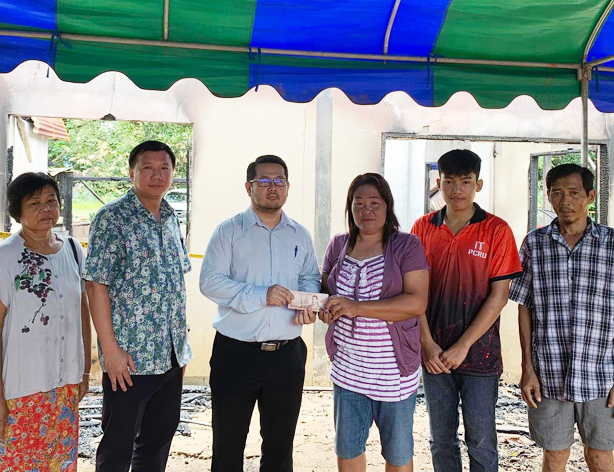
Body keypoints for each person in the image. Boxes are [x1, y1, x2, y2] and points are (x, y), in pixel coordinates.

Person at [200, 154, 321, 472]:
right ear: (248, 187)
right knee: (227, 444)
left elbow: (310, 277)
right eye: (264, 181)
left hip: (287, 356)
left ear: (288, 186)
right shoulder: (228, 231)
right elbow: (210, 282)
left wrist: (308, 304)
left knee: (280, 447)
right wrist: (260, 295)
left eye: (279, 180)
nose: (272, 187)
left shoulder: (299, 234)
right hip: (235, 354)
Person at [411, 149, 522, 472]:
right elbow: (413, 292)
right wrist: (426, 343)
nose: (456, 189)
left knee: (482, 441)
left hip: (481, 355)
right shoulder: (422, 228)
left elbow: (499, 297)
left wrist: (463, 345)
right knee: (441, 439)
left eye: (465, 181)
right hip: (434, 354)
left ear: (478, 184)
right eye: (449, 181)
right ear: (438, 183)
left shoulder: (497, 230)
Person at [84, 141, 192, 472]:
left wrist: (181, 343)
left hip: (170, 356)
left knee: (157, 444)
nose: (157, 175)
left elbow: (174, 283)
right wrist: (110, 351)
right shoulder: (112, 218)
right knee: (118, 448)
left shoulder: (171, 217)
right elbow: (96, 285)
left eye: (164, 168)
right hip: (130, 361)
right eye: (148, 168)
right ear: (132, 173)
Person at [319, 173, 430, 472]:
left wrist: (357, 308)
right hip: (348, 371)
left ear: (387, 206)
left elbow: (416, 303)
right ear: (350, 207)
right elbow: (326, 293)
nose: (366, 210)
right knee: (348, 449)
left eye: (374, 203)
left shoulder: (406, 245)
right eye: (358, 203)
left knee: (397, 454)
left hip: (392, 374)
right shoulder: (338, 245)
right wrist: (324, 309)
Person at [509, 164, 614, 472]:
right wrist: (527, 369)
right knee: (554, 457)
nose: (565, 200)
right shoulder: (534, 243)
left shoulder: (611, 244)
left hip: (602, 375)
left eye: (574, 193)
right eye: (557, 193)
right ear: (548, 196)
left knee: (601, 457)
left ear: (590, 196)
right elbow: (524, 306)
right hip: (548, 374)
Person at [0, 172, 91, 471]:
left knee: (60, 464)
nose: (46, 209)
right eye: (35, 203)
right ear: (17, 211)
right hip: (20, 391)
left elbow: (82, 310)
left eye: (51, 201)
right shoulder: (6, 257)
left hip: (65, 386)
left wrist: (85, 371)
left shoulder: (73, 250)